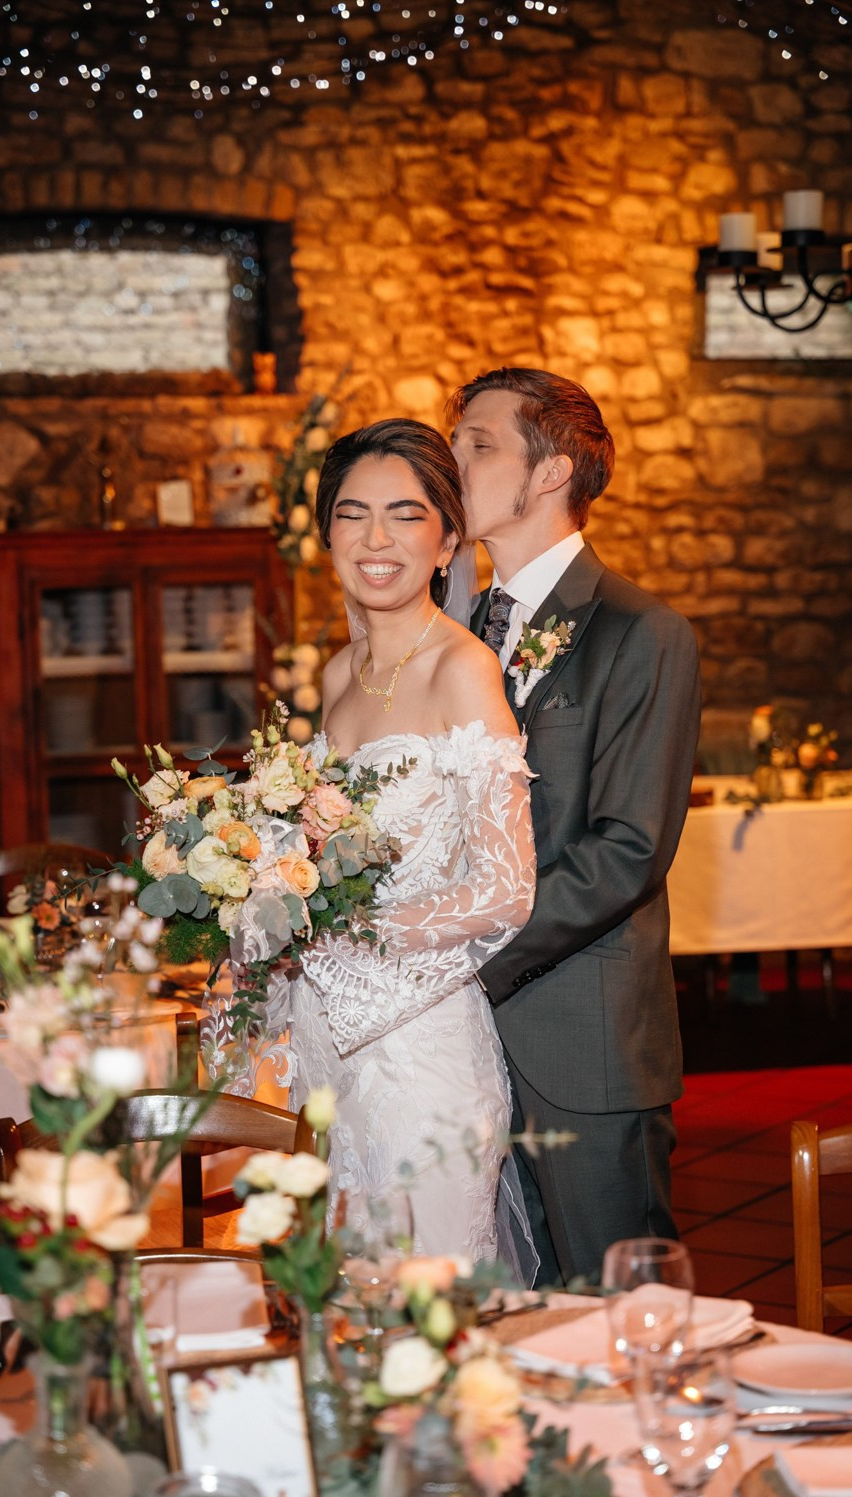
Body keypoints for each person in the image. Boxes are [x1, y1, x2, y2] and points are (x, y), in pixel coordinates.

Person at [449, 367, 702, 1286]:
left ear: (551, 470)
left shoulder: (640, 631)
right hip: (461, 1046)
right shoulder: (460, 632)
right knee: (511, 1308)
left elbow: (626, 850)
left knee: (613, 1301)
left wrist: (466, 954)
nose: (452, 462)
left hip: (581, 1036)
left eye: (478, 445)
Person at [285, 417, 538, 1265]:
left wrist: (346, 933)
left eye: (405, 515)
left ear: (447, 542)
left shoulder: (461, 668)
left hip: (420, 1053)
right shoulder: (336, 674)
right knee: (342, 1293)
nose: (376, 540)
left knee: (427, 1298)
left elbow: (506, 887)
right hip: (325, 1045)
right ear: (327, 536)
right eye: (352, 515)